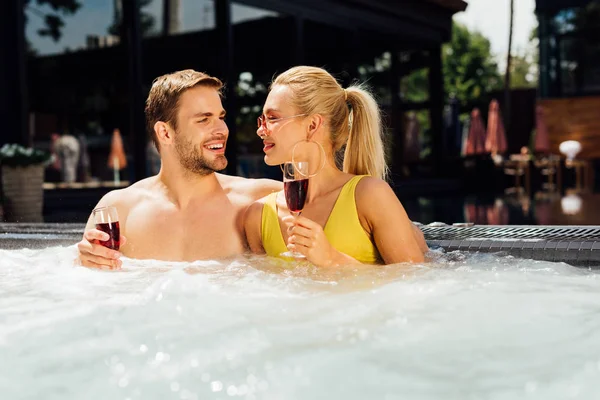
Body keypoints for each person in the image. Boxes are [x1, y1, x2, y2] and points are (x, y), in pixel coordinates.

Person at [76, 69, 281, 268]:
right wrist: (84, 261)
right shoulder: (119, 209)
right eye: (204, 120)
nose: (222, 130)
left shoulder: (261, 200)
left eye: (221, 117)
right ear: (165, 133)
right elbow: (89, 287)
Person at [244, 66, 428, 267]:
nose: (260, 130)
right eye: (262, 119)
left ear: (313, 125)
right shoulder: (258, 217)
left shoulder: (369, 195)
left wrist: (333, 259)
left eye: (272, 118)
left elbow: (414, 280)